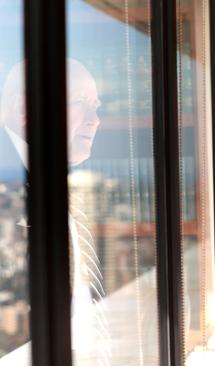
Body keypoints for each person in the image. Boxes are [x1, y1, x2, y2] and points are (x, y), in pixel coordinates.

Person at [0, 59, 108, 365]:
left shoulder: (45, 175)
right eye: (80, 104)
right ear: (24, 108)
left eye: (96, 106)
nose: (95, 119)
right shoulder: (9, 182)